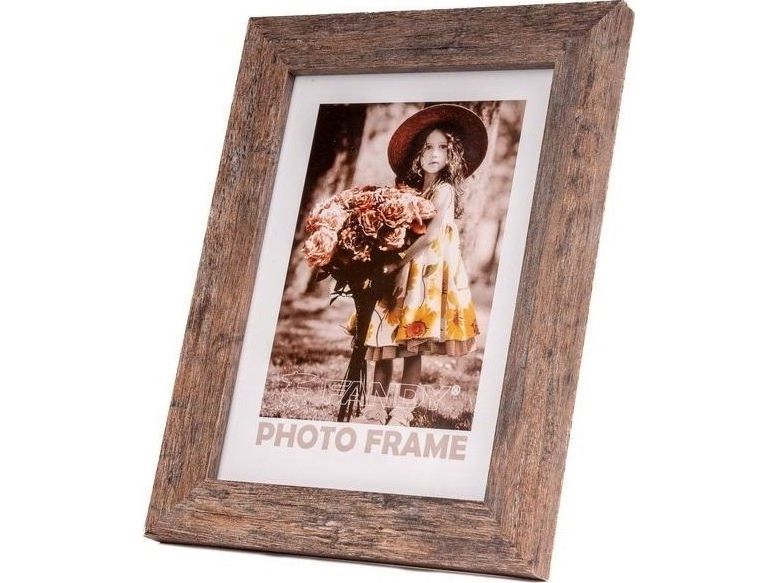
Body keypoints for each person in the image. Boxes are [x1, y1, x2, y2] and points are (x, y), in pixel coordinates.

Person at [347, 104, 487, 426]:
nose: (434, 154)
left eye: (442, 147)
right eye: (427, 147)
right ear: (417, 154)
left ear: (451, 154)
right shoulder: (408, 190)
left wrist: (397, 262)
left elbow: (430, 236)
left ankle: (402, 411)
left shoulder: (444, 190)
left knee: (412, 346)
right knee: (384, 340)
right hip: (398, 270)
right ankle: (375, 409)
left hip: (422, 274)